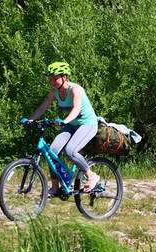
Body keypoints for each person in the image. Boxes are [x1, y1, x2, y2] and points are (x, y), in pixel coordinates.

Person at [25, 61, 100, 193]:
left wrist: (65, 121)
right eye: (50, 78)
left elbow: (76, 109)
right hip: (71, 125)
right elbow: (43, 107)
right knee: (51, 151)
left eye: (55, 78)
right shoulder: (55, 92)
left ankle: (91, 175)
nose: (52, 81)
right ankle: (55, 187)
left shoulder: (75, 89)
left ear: (64, 77)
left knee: (70, 151)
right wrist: (30, 119)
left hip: (87, 124)